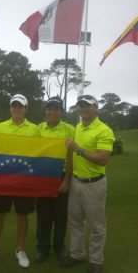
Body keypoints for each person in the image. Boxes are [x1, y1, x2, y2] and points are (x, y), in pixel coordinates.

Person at [0, 94, 39, 268]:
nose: (17, 109)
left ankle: (20, 250)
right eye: (14, 106)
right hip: (3, 179)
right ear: (10, 108)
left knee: (22, 215)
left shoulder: (35, 129)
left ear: (26, 109)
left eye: (20, 106)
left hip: (24, 179)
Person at [62, 94, 115, 273]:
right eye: (81, 105)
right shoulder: (78, 126)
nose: (83, 108)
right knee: (75, 222)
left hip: (94, 184)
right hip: (77, 182)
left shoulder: (104, 130)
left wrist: (79, 149)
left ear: (96, 107)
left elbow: (103, 158)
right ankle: (77, 254)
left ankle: (96, 260)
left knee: (97, 225)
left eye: (87, 105)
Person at [35, 96, 75, 263]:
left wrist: (67, 180)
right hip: (43, 178)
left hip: (61, 176)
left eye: (56, 108)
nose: (52, 111)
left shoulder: (69, 129)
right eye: (49, 108)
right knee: (43, 215)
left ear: (61, 111)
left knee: (60, 216)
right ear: (46, 110)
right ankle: (42, 248)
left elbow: (71, 157)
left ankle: (59, 247)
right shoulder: (39, 129)